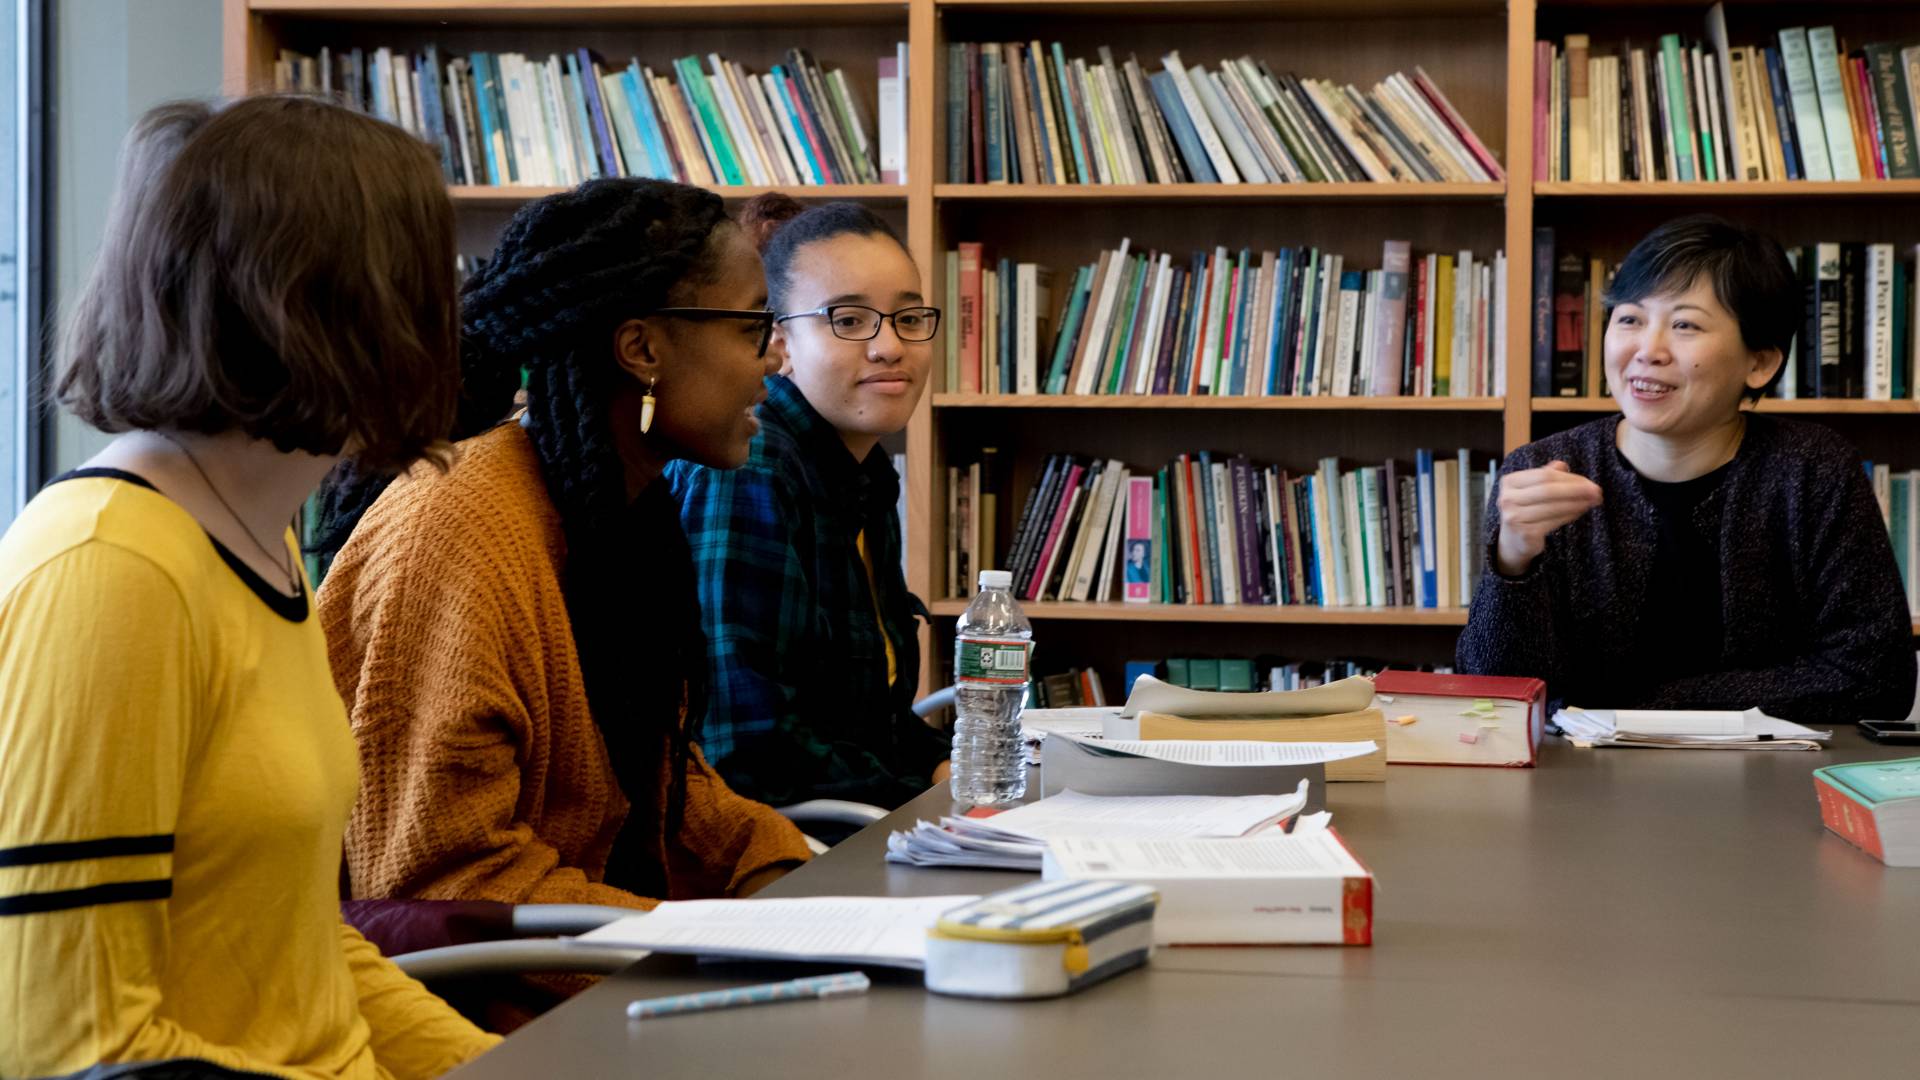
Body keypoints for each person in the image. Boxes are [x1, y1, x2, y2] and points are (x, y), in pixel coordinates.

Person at [0, 96, 496, 1078]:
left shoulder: (261, 540)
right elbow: (77, 1049)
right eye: (427, 274)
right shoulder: (110, 567)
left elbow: (302, 957)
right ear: (339, 304)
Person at [316, 179, 812, 941]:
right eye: (753, 326)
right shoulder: (461, 530)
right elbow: (444, 883)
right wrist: (709, 936)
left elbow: (653, 779)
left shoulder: (623, 509)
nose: (775, 359)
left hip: (587, 972)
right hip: (477, 1020)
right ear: (642, 348)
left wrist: (768, 860)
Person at [1458, 214, 1916, 722]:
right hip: (1582, 785)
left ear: (1759, 363)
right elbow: (1491, 697)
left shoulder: (1812, 469)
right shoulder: (1545, 469)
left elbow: (1875, 677)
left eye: (1684, 325)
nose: (1647, 351)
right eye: (1630, 319)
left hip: (1768, 784)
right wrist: (1513, 561)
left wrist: (1655, 708)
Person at [669, 194, 950, 810]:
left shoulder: (865, 475)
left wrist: (951, 774)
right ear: (778, 343)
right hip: (773, 854)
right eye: (848, 321)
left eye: (908, 319)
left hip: (859, 821)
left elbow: (875, 724)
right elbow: (745, 749)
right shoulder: (750, 466)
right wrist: (925, 806)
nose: (889, 347)